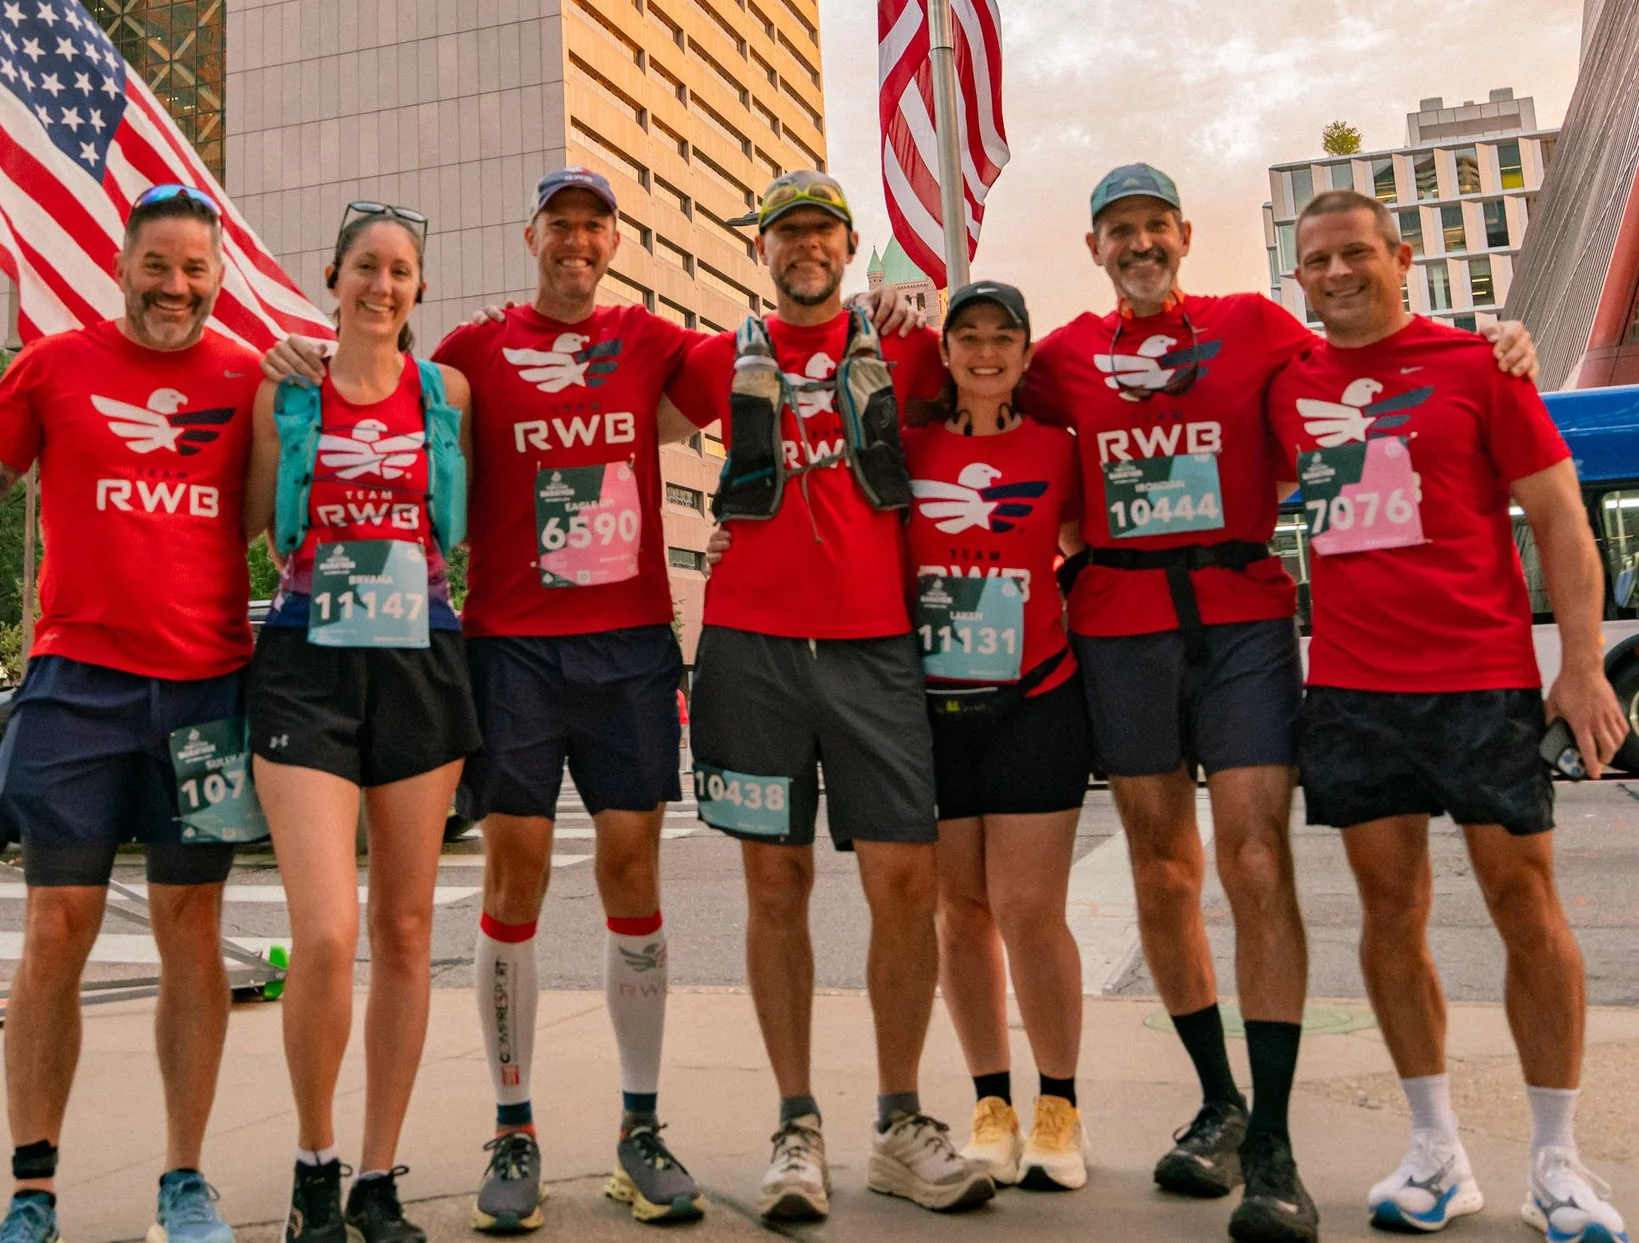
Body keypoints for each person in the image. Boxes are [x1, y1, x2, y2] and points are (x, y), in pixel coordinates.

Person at [1018, 163, 1535, 1243]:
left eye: (1156, 225)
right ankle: (1218, 1100)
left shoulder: (1253, 323)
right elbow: (973, 412)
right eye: (1120, 229)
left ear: (1186, 234)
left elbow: (1380, 351)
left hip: (1243, 615)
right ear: (1096, 247)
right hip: (1120, 626)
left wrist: (1500, 341)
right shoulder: (1066, 354)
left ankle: (1276, 1143)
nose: (1140, 242)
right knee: (1163, 867)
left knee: (1256, 858)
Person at [266, 167, 708, 1231]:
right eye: (560, 224)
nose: (577, 241)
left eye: (594, 227)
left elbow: (769, 360)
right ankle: (513, 1125)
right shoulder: (467, 354)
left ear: (612, 244)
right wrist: (294, 355)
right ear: (530, 236)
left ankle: (637, 1126)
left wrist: (890, 308)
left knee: (632, 865)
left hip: (631, 644)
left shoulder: (652, 341)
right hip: (510, 648)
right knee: (511, 873)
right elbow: (366, 381)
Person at [1271, 190, 1628, 1243]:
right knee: (1389, 915)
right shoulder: (1287, 382)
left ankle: (1557, 1163)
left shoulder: (1478, 366)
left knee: (1527, 905)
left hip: (1479, 681)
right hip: (1349, 687)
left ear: (1400, 255)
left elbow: (1560, 516)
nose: (1334, 273)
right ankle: (1435, 1149)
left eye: (1353, 253)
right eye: (1314, 260)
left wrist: (1581, 662)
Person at [0, 185, 253, 1243]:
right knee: (53, 927)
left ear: (215, 271)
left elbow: (284, 511)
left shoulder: (247, 378)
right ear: (124, 264)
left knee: (189, 929)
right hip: (78, 683)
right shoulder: (54, 365)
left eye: (195, 267)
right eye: (158, 263)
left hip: (207, 689)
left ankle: (185, 1180)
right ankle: (32, 1188)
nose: (176, 285)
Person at [668, 170, 994, 1221]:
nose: (803, 246)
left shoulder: (903, 341)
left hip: (876, 647)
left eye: (820, 230)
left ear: (849, 243)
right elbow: (604, 420)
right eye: (784, 232)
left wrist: (930, 304)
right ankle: (794, 1123)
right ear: (760, 250)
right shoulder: (718, 358)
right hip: (752, 647)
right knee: (776, 886)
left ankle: (900, 1120)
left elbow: (1011, 384)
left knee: (907, 881)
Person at [242, 202, 480, 1243]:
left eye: (401, 270)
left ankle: (378, 1175)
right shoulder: (285, 391)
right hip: (305, 663)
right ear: (330, 277)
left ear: (418, 289)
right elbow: (255, 523)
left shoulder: (448, 394)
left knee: (407, 928)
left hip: (421, 656)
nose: (382, 285)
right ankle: (314, 1164)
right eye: (365, 267)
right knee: (328, 933)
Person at [901, 281, 1092, 1194]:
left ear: (1025, 352)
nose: (984, 351)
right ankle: (991, 1105)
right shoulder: (908, 448)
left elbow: (1092, 540)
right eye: (967, 335)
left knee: (1026, 906)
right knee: (960, 911)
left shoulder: (1059, 449)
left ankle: (1058, 1106)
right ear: (945, 351)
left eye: (1002, 337)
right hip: (932, 708)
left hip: (1037, 696)